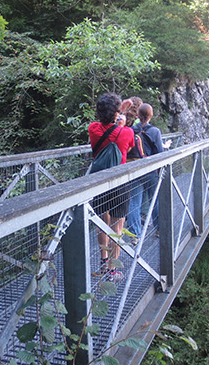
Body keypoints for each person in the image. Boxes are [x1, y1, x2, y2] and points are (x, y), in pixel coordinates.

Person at [88, 93, 135, 281]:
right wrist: (120, 118)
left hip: (100, 182)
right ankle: (112, 269)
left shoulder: (93, 129)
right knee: (117, 226)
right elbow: (129, 148)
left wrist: (116, 113)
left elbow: (104, 126)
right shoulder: (128, 133)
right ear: (117, 114)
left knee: (102, 224)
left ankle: (103, 260)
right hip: (120, 183)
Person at [126, 103, 172, 242]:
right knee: (155, 199)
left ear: (138, 115)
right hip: (150, 171)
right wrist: (166, 147)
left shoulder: (131, 130)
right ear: (151, 115)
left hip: (134, 169)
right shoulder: (155, 131)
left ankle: (134, 235)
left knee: (134, 202)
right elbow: (159, 153)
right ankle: (159, 229)